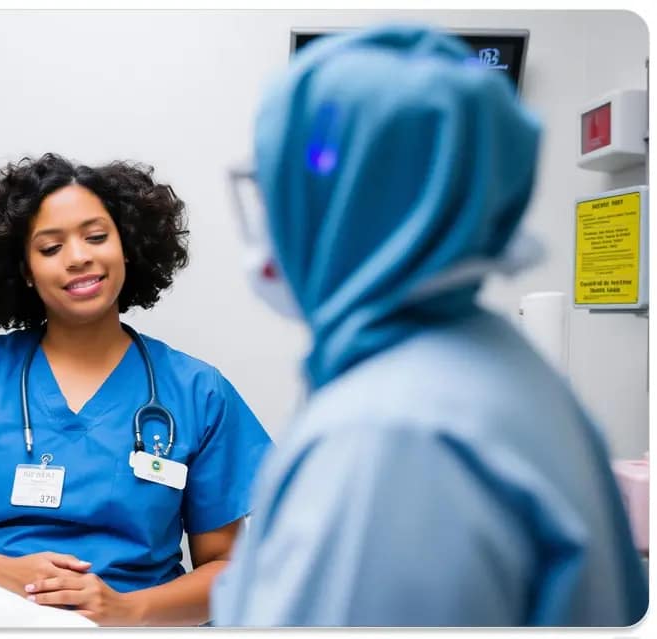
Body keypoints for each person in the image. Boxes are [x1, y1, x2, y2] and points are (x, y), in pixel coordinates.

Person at [211, 25, 648, 626]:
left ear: (350, 210)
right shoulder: (493, 361)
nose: (269, 223)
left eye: (282, 190)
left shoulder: (390, 438)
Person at [0, 153, 272, 626]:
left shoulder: (197, 392)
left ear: (127, 247)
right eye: (51, 247)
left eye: (96, 237)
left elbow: (227, 567)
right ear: (25, 270)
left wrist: (127, 611)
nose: (78, 257)